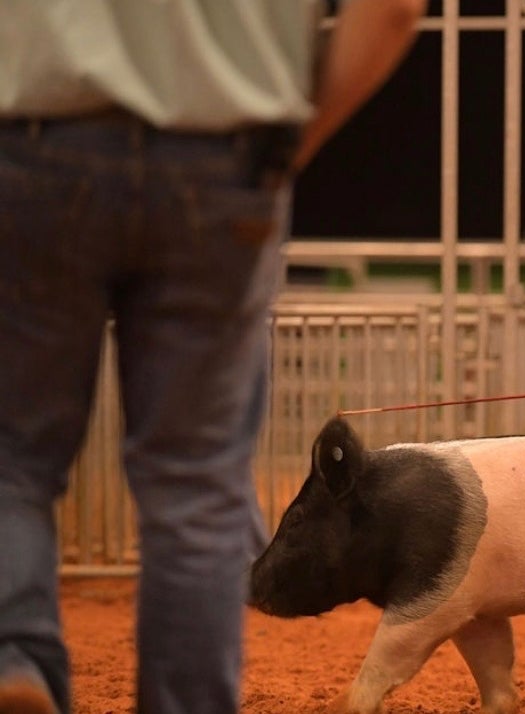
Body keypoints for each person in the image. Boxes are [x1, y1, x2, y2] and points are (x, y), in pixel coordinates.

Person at [0, 1, 425, 712]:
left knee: (11, 458)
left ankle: (16, 658)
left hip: (33, 144)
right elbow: (394, 10)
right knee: (195, 482)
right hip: (224, 152)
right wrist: (287, 149)